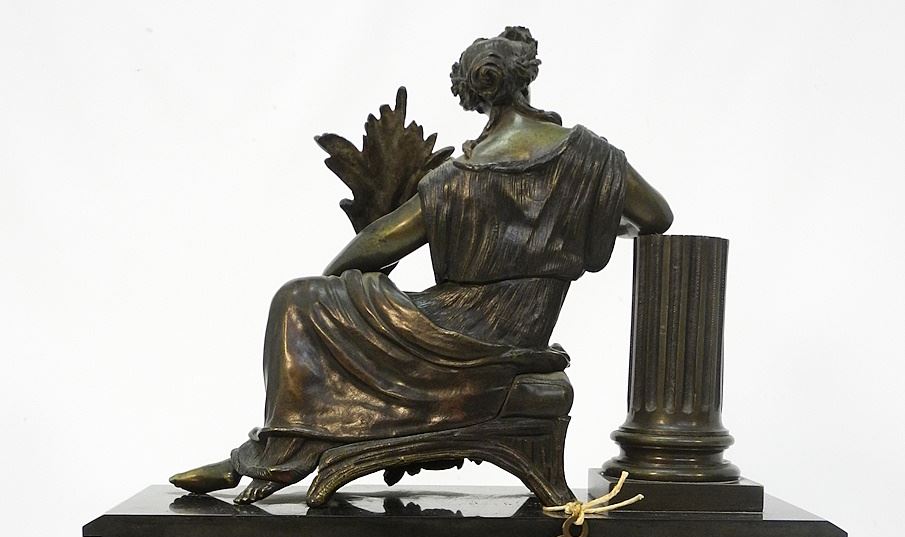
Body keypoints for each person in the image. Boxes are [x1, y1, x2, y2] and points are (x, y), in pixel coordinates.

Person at [171, 26, 672, 505]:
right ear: (524, 77)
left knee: (297, 300)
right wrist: (581, 220)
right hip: (520, 326)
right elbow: (656, 217)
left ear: (472, 94)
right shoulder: (590, 157)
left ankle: (272, 455)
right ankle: (275, 453)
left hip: (462, 330)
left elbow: (376, 243)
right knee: (311, 303)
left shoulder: (457, 178)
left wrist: (337, 287)